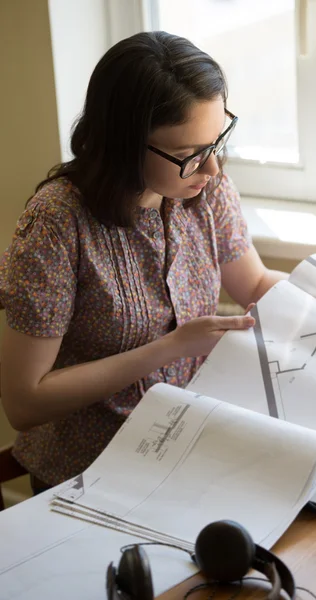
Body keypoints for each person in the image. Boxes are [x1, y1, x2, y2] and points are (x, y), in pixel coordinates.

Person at [0, 31, 287, 494]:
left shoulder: (205, 187)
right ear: (124, 143)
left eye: (216, 142)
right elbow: (24, 402)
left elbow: (252, 283)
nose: (212, 168)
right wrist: (171, 346)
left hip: (192, 446)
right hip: (87, 474)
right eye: (187, 155)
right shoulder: (57, 223)